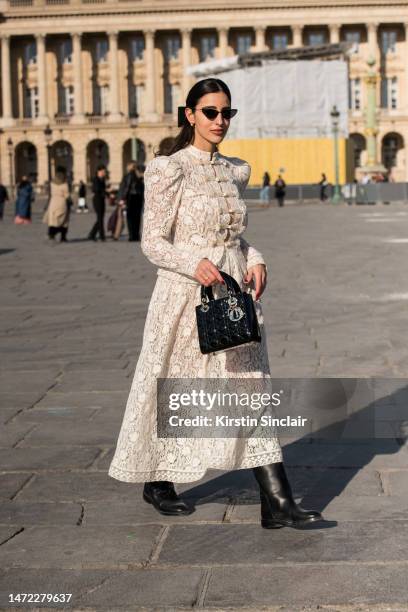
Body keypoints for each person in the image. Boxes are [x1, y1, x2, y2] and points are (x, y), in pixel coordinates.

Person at [108, 77, 323, 530]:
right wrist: (195, 262)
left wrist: (257, 258)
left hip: (234, 293)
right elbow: (152, 242)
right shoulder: (170, 168)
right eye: (211, 112)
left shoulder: (234, 169)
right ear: (190, 115)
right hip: (186, 293)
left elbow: (236, 237)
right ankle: (159, 480)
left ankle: (276, 501)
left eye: (227, 112)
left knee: (251, 388)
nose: (220, 120)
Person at [42, 166, 71, 242]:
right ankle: (62, 237)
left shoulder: (52, 183)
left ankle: (51, 234)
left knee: (53, 220)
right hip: (62, 203)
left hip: (53, 202)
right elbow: (67, 195)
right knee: (64, 221)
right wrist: (70, 201)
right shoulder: (64, 184)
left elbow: (49, 193)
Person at [117, 161, 145, 241]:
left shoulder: (129, 175)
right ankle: (136, 235)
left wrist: (122, 198)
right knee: (137, 218)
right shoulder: (139, 175)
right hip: (138, 198)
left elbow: (127, 188)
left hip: (131, 198)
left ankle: (132, 236)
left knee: (130, 218)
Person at [88, 165, 107, 241]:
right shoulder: (95, 179)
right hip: (97, 200)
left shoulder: (102, 179)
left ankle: (92, 234)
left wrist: (108, 193)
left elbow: (103, 190)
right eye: (103, 171)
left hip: (101, 199)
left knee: (100, 218)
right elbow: (95, 189)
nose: (104, 173)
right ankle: (102, 236)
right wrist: (105, 191)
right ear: (99, 171)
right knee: (100, 218)